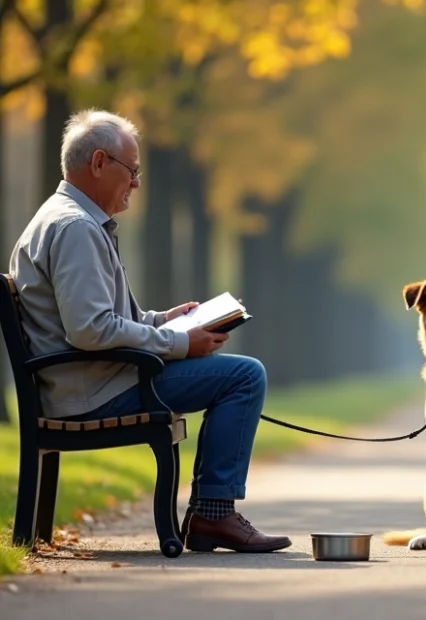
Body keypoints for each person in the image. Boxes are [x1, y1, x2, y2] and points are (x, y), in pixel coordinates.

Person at [9, 108, 291, 553]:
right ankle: (214, 517)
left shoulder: (68, 219)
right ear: (99, 163)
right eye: (132, 171)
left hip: (90, 380)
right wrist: (181, 342)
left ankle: (211, 515)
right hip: (95, 390)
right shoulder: (75, 228)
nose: (137, 183)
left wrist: (163, 322)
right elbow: (89, 331)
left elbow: (98, 320)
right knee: (244, 376)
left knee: (237, 373)